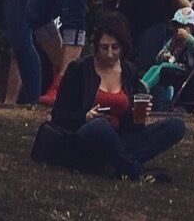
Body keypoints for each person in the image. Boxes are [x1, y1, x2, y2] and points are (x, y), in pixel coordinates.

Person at [31, 13, 184, 182]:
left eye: (115, 47)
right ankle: (136, 172)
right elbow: (59, 115)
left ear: (123, 46)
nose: (110, 54)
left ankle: (116, 164)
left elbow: (132, 128)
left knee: (176, 126)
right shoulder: (80, 70)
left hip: (118, 138)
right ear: (97, 46)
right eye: (104, 48)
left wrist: (136, 116)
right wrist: (85, 116)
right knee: (100, 126)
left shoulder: (129, 71)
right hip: (85, 138)